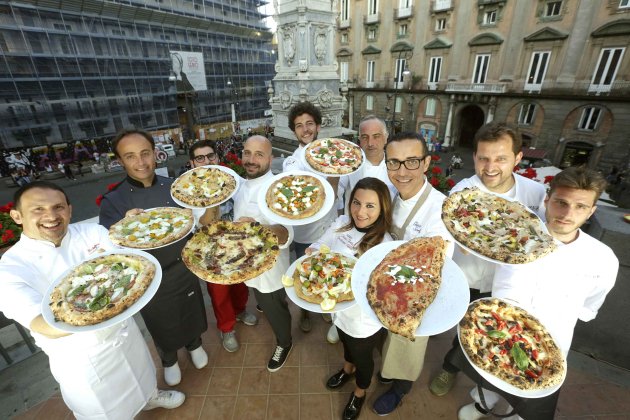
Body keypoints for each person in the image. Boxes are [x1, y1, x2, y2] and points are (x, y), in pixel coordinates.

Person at [0, 181, 184, 418]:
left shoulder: (92, 233)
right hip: (78, 354)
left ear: (70, 209)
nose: (51, 216)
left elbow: (132, 263)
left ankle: (150, 396)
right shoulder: (10, 269)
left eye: (58, 207)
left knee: (142, 371)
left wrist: (134, 226)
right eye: (38, 209)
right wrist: (93, 313)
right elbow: (39, 322)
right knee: (101, 409)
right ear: (17, 216)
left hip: (123, 331)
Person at [454, 166, 618, 420]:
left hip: (550, 344)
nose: (566, 213)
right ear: (547, 200)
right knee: (488, 377)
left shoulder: (603, 259)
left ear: (592, 211)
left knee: (531, 397)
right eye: (560, 202)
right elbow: (476, 246)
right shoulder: (511, 235)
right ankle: (482, 405)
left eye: (580, 207)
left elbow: (589, 305)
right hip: (496, 328)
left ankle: (515, 416)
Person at [429, 122, 547, 397]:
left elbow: (541, 238)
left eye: (501, 159)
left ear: (518, 158)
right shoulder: (461, 192)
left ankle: (466, 374)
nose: (490, 167)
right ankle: (449, 363)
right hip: (466, 277)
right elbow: (445, 236)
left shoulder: (535, 193)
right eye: (483, 158)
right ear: (474, 157)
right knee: (461, 325)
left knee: (493, 334)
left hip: (507, 284)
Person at [99, 128, 208, 387]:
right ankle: (168, 359)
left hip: (183, 265)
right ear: (120, 161)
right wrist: (124, 228)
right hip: (147, 277)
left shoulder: (174, 187)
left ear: (155, 154)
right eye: (131, 156)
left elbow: (194, 222)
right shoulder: (113, 201)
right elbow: (106, 248)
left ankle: (194, 345)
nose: (141, 162)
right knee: (160, 320)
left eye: (145, 153)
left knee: (190, 308)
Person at [372, 131, 455, 415]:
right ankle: (387, 370)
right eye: (394, 162)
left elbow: (432, 268)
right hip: (389, 281)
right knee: (387, 336)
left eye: (411, 162)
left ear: (426, 163)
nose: (402, 171)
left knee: (407, 343)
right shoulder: (392, 195)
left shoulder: (440, 210)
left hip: (416, 292)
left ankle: (400, 389)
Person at [310, 178, 392, 420]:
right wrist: (314, 251)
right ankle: (347, 369)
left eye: (370, 206)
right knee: (345, 342)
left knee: (363, 358)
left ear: (382, 209)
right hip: (339, 308)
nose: (360, 212)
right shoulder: (342, 222)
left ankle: (359, 391)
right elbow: (322, 243)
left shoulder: (385, 244)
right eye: (356, 202)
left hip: (363, 320)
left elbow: (382, 290)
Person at [230, 135, 294, 371]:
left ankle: (284, 342)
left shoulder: (278, 190)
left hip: (270, 269)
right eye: (247, 153)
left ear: (271, 158)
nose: (251, 159)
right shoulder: (239, 185)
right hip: (246, 263)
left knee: (274, 307)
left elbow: (286, 233)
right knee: (259, 297)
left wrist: (258, 227)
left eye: (259, 154)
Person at [330, 115, 395, 344]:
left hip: (379, 233)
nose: (371, 143)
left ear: (386, 138)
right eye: (365, 137)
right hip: (352, 226)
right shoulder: (352, 164)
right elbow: (340, 193)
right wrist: (340, 220)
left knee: (371, 281)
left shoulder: (394, 167)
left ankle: (365, 325)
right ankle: (338, 316)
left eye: (376, 136)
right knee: (342, 273)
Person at [188, 140, 257, 353]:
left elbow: (244, 202)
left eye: (210, 156)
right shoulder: (187, 189)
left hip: (236, 244)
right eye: (200, 158)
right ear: (192, 164)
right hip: (210, 252)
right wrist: (214, 197)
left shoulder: (232, 179)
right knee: (219, 293)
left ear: (217, 158)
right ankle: (226, 328)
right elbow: (205, 223)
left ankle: (240, 310)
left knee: (240, 284)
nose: (207, 161)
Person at [283, 101, 337, 333]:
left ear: (317, 126)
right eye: (299, 126)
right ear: (294, 131)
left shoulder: (332, 155)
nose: (305, 130)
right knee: (305, 269)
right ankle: (305, 310)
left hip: (331, 226)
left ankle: (325, 305)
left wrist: (333, 169)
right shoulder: (292, 162)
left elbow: (335, 194)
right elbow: (300, 191)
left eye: (309, 124)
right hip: (305, 232)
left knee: (328, 268)